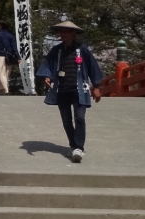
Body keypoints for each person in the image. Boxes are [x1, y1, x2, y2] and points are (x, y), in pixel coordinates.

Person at [36, 20, 103, 163]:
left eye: (66, 31)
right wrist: (47, 76)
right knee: (66, 120)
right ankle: (73, 145)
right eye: (61, 31)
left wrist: (96, 86)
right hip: (62, 89)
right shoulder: (57, 50)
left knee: (80, 118)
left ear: (74, 33)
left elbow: (93, 66)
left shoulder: (82, 49)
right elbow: (48, 65)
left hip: (79, 89)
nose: (63, 34)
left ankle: (78, 147)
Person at [0, 20, 19, 95]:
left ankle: (4, 90)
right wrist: (18, 57)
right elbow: (14, 47)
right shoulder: (10, 36)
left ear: (0, 26)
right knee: (6, 74)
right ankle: (4, 89)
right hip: (9, 57)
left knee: (0, 74)